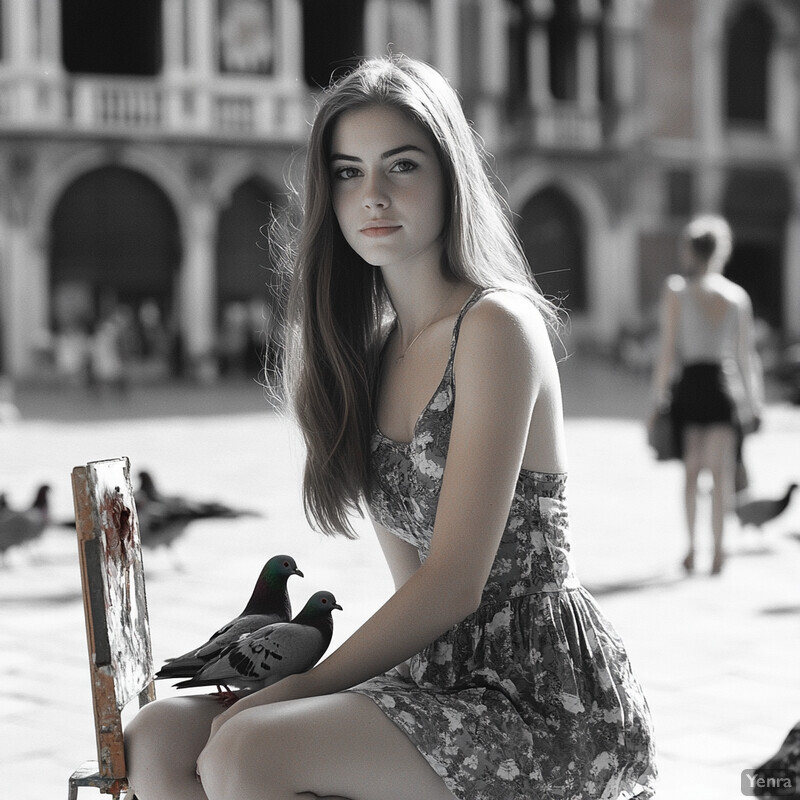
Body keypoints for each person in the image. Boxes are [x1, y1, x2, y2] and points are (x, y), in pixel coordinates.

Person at [125, 55, 656, 799]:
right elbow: (411, 590)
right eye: (348, 173)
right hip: (436, 675)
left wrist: (281, 696)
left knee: (248, 750)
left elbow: (451, 586)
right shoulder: (365, 355)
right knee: (155, 735)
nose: (372, 195)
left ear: (449, 175)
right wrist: (283, 697)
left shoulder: (497, 325)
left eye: (400, 166)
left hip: (541, 698)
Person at [650, 214, 763, 576]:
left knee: (691, 474)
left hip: (691, 388)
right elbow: (746, 357)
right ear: (720, 251)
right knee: (721, 477)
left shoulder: (677, 290)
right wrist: (754, 404)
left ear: (690, 250)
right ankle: (719, 550)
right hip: (723, 388)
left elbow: (668, 351)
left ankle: (691, 548)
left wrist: (657, 400)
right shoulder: (737, 296)